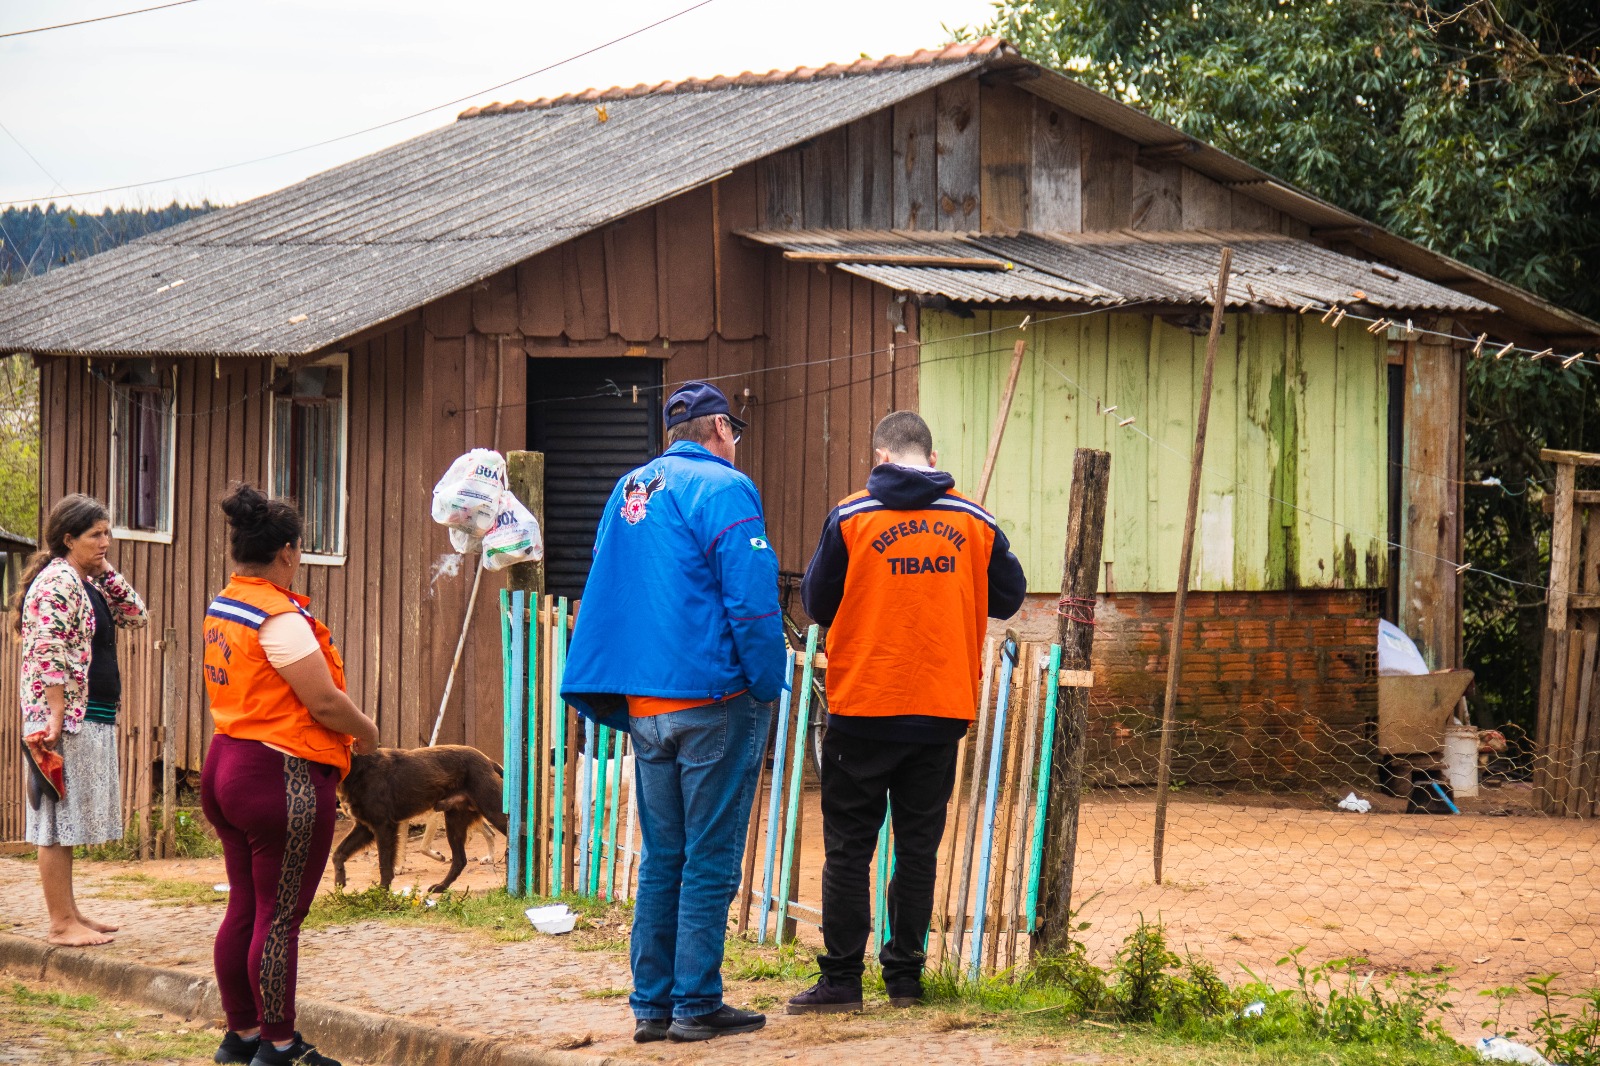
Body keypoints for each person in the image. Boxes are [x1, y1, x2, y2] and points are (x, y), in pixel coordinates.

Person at [563, 381, 787, 1044]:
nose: (736, 444)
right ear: (719, 427)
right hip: (712, 700)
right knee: (710, 856)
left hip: (646, 706)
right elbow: (751, 600)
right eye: (735, 432)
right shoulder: (724, 490)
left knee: (663, 856)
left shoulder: (632, 489)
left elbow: (610, 583)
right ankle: (695, 1004)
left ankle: (651, 1006)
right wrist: (768, 683)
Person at [790, 410, 1026, 1013]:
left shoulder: (850, 517)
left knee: (849, 847)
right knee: (917, 847)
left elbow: (817, 605)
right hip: (940, 708)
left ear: (880, 457)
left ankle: (842, 981)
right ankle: (906, 980)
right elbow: (1009, 596)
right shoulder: (973, 520)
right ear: (931, 454)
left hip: (863, 706)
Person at [200, 485, 380, 1066]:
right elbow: (324, 704)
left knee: (245, 910)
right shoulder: (280, 618)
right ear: (287, 552)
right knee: (279, 919)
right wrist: (368, 732)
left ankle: (243, 1036)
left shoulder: (225, 602)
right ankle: (279, 1047)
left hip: (225, 761)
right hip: (279, 775)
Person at [10, 494, 147, 947]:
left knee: (67, 818)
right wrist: (53, 714)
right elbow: (48, 650)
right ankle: (59, 923)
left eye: (107, 533)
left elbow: (136, 616)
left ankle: (71, 912)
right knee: (55, 818)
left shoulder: (84, 580)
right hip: (61, 718)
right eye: (95, 535)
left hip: (87, 712)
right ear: (68, 539)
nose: (106, 541)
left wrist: (104, 570)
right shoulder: (57, 583)